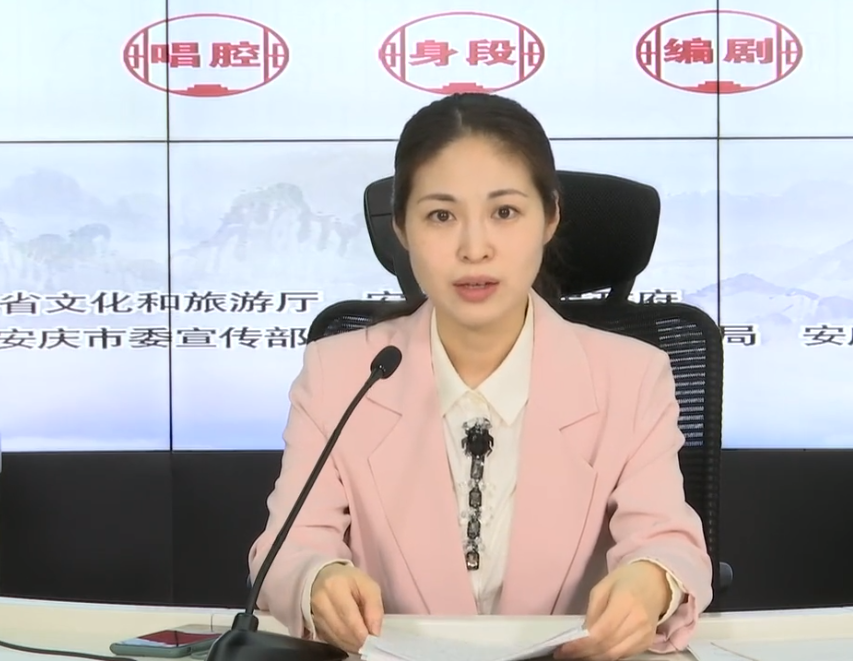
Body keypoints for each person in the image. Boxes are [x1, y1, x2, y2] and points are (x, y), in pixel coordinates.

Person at [248, 92, 713, 661]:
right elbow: (288, 546)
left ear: (550, 218)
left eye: (505, 212)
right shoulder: (341, 373)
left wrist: (653, 581)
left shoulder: (632, 376)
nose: (474, 249)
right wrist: (316, 580)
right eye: (441, 216)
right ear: (402, 228)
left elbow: (668, 540)